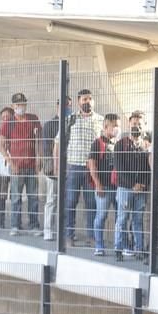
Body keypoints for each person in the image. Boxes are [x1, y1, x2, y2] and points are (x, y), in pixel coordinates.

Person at [54, 89, 103, 247]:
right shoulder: (70, 119)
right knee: (70, 203)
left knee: (91, 204)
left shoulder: (100, 121)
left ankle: (92, 236)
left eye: (90, 98)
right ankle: (69, 235)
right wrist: (56, 167)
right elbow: (58, 143)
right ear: (78, 102)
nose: (87, 102)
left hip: (92, 169)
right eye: (84, 99)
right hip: (73, 167)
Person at [0, 93, 41, 236]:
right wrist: (11, 163)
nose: (20, 107)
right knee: (16, 197)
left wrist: (38, 159)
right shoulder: (8, 123)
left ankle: (34, 225)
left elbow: (38, 141)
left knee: (33, 197)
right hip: (16, 167)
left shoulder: (33, 119)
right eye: (17, 105)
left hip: (31, 165)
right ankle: (15, 225)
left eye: (22, 104)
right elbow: (2, 146)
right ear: (13, 106)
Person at [113, 111, 150, 262]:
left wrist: (143, 184)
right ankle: (118, 248)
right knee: (122, 219)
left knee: (138, 220)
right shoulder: (120, 145)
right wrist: (132, 185)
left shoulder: (146, 146)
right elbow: (119, 169)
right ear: (129, 124)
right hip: (125, 188)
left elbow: (149, 168)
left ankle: (139, 249)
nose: (137, 126)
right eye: (134, 123)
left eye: (139, 124)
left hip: (140, 189)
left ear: (144, 126)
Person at [88, 114, 120, 256]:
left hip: (118, 187)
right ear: (106, 127)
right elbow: (92, 164)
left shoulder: (118, 144)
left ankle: (120, 246)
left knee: (121, 217)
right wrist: (98, 184)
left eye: (118, 126)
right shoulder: (98, 143)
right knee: (101, 216)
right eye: (115, 126)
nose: (117, 129)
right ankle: (99, 245)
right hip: (104, 187)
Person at [41, 97, 71, 241]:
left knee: (67, 200)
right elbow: (46, 148)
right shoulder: (50, 125)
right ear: (57, 106)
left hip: (69, 167)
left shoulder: (72, 123)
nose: (67, 108)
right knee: (51, 199)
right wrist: (53, 166)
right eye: (65, 105)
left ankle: (64, 231)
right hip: (53, 168)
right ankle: (48, 230)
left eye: (69, 105)